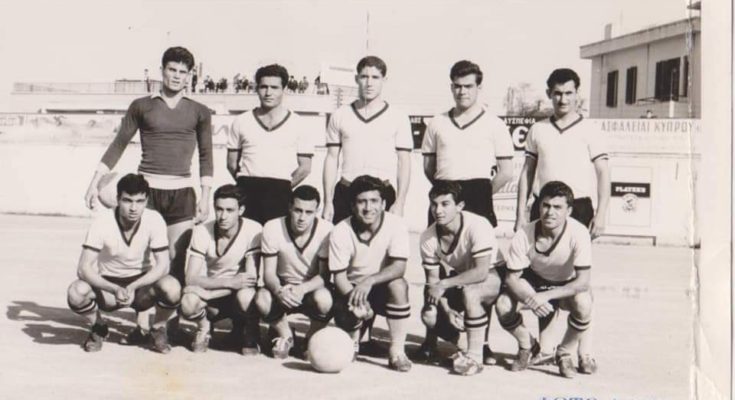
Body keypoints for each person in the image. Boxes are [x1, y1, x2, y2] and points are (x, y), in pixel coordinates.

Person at [83, 47, 212, 338]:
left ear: (190, 76)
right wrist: (94, 181)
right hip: (147, 191)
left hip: (181, 192)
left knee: (175, 260)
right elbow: (118, 143)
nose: (176, 76)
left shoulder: (199, 111)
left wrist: (205, 196)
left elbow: (206, 155)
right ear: (162, 70)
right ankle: (141, 325)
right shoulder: (141, 106)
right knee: (144, 258)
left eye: (183, 72)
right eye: (172, 70)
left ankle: (165, 325)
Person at [67, 174, 181, 353]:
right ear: (118, 199)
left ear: (146, 201)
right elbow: (83, 268)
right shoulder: (102, 221)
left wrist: (134, 286)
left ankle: (158, 328)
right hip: (109, 286)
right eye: (128, 201)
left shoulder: (154, 219)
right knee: (76, 292)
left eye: (140, 201)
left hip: (141, 287)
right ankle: (98, 326)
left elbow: (163, 265)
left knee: (172, 287)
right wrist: (114, 288)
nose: (134, 208)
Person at [496, 181, 596, 378]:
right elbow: (511, 279)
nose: (550, 212)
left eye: (557, 207)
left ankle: (564, 352)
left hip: (565, 285)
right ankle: (528, 345)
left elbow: (583, 281)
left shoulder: (579, 232)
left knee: (584, 303)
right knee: (503, 305)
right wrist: (531, 298)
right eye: (546, 205)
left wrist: (546, 296)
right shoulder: (524, 233)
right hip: (535, 282)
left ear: (569, 211)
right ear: (539, 206)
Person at [415, 181, 502, 376]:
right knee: (430, 314)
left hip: (495, 274)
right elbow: (433, 282)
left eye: (445, 204)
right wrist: (447, 310)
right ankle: (462, 344)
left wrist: (445, 284)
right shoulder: (428, 237)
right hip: (463, 277)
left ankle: (475, 357)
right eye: (434, 204)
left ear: (460, 206)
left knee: (472, 293)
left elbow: (481, 272)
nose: (438, 210)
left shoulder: (478, 225)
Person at [329, 175, 412, 372]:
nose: (368, 208)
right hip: (352, 290)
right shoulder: (340, 230)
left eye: (374, 201)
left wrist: (370, 281)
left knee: (399, 285)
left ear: (383, 204)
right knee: (347, 352)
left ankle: (397, 351)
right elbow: (339, 277)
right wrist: (357, 299)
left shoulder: (396, 224)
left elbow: (399, 267)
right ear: (352, 205)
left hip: (380, 288)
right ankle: (354, 340)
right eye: (362, 202)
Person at [515, 67, 610, 235]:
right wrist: (520, 214)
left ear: (577, 94)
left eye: (568, 93)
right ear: (549, 93)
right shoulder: (538, 129)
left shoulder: (591, 130)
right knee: (538, 252)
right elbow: (527, 172)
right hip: (544, 206)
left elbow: (603, 173)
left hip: (578, 207)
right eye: (558, 93)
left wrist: (601, 214)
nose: (563, 99)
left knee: (576, 253)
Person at [421, 60, 514, 228]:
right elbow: (429, 167)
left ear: (479, 87)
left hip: (478, 195)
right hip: (444, 194)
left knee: (479, 243)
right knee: (439, 243)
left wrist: (483, 192)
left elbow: (506, 172)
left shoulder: (495, 124)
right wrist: (446, 192)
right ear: (451, 87)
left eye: (468, 86)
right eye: (458, 86)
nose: (462, 92)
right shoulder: (436, 122)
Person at [322, 56, 413, 223]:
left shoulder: (398, 117)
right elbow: (331, 158)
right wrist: (327, 202)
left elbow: (404, 162)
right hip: (347, 190)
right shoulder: (340, 114)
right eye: (364, 77)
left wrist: (400, 202)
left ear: (384, 80)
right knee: (341, 238)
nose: (369, 83)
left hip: (382, 191)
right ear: (356, 78)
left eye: (375, 77)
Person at [179, 184, 262, 354]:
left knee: (247, 296)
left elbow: (250, 280)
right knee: (188, 302)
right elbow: (191, 278)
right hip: (216, 292)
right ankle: (204, 327)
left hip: (234, 295)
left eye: (230, 210)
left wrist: (210, 293)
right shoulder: (202, 231)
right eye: (219, 209)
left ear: (241, 210)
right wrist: (229, 282)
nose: (223, 216)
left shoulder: (253, 230)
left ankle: (249, 330)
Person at [227, 64, 314, 225]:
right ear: (257, 89)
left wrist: (284, 186)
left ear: (284, 89)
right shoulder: (241, 121)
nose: (268, 93)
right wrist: (244, 184)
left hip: (280, 193)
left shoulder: (299, 123)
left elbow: (305, 167)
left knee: (275, 238)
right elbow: (232, 163)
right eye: (263, 87)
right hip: (247, 190)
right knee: (247, 238)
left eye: (274, 87)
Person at [254, 185, 334, 359]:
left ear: (317, 211)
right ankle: (286, 335)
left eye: (309, 212)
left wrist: (302, 289)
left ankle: (310, 338)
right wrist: (279, 290)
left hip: (310, 288)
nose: (302, 218)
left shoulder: (326, 230)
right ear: (290, 207)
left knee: (325, 299)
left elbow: (325, 275)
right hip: (283, 287)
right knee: (262, 299)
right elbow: (268, 274)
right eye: (298, 210)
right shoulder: (272, 227)